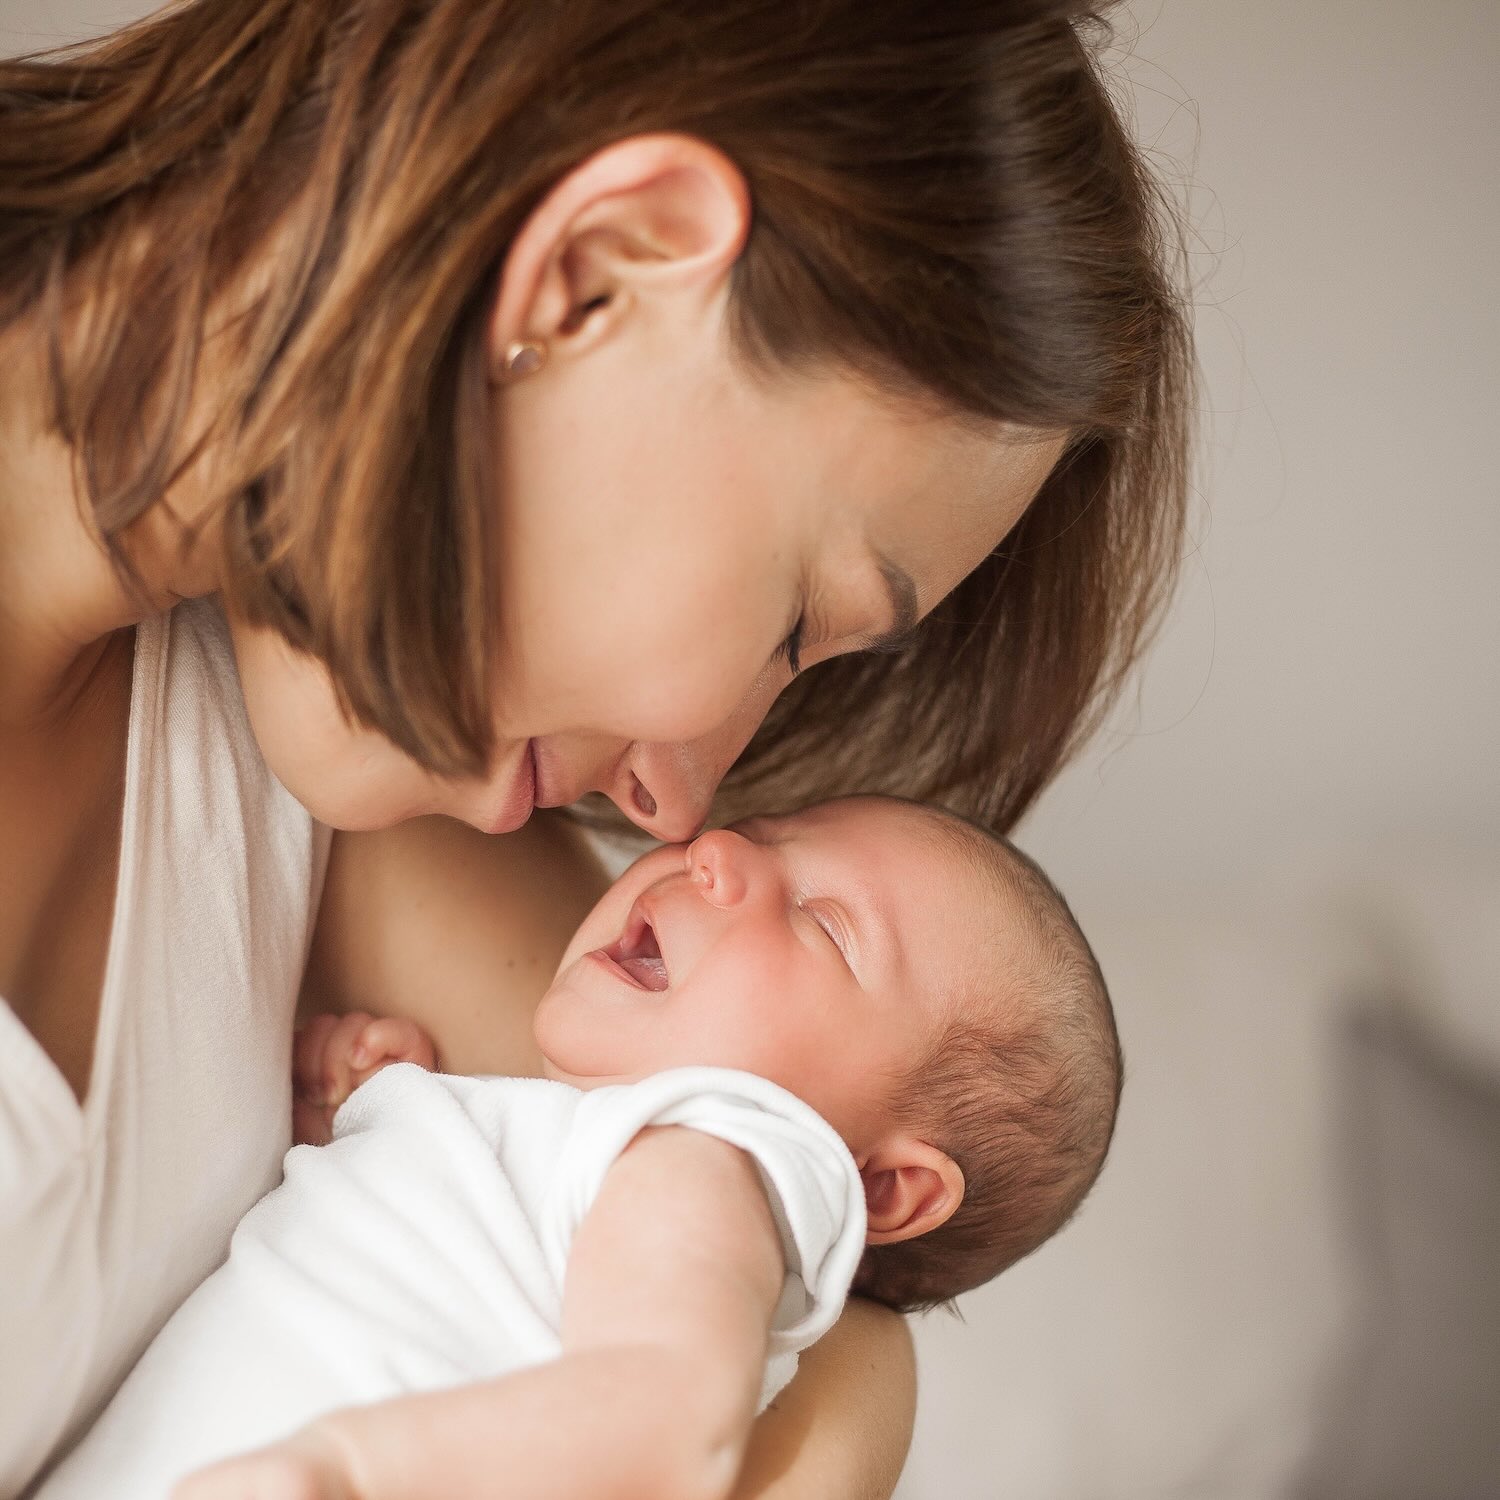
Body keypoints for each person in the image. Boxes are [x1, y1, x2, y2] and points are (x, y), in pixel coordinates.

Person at [0, 1, 1191, 1495]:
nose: (678, 801)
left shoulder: (335, 767)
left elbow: (825, 1310)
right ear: (595, 276)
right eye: (794, 625)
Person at [38, 797, 1121, 1500]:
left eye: (826, 924)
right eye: (772, 832)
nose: (721, 853)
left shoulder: (717, 1158)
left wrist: (350, 1470)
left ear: (880, 1184)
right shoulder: (602, 1156)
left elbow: (664, 1419)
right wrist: (379, 1113)